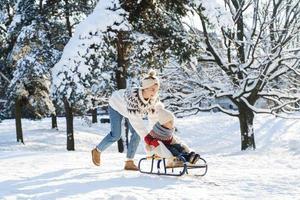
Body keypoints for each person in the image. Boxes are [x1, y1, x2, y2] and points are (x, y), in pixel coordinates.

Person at [91, 69, 161, 170]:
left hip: (130, 111)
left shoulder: (153, 98)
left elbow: (153, 117)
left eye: (157, 89)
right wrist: (149, 140)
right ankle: (97, 150)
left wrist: (155, 134)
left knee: (136, 134)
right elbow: (136, 122)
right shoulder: (133, 97)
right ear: (145, 88)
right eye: (152, 90)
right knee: (116, 135)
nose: (155, 92)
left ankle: (129, 162)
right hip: (116, 104)